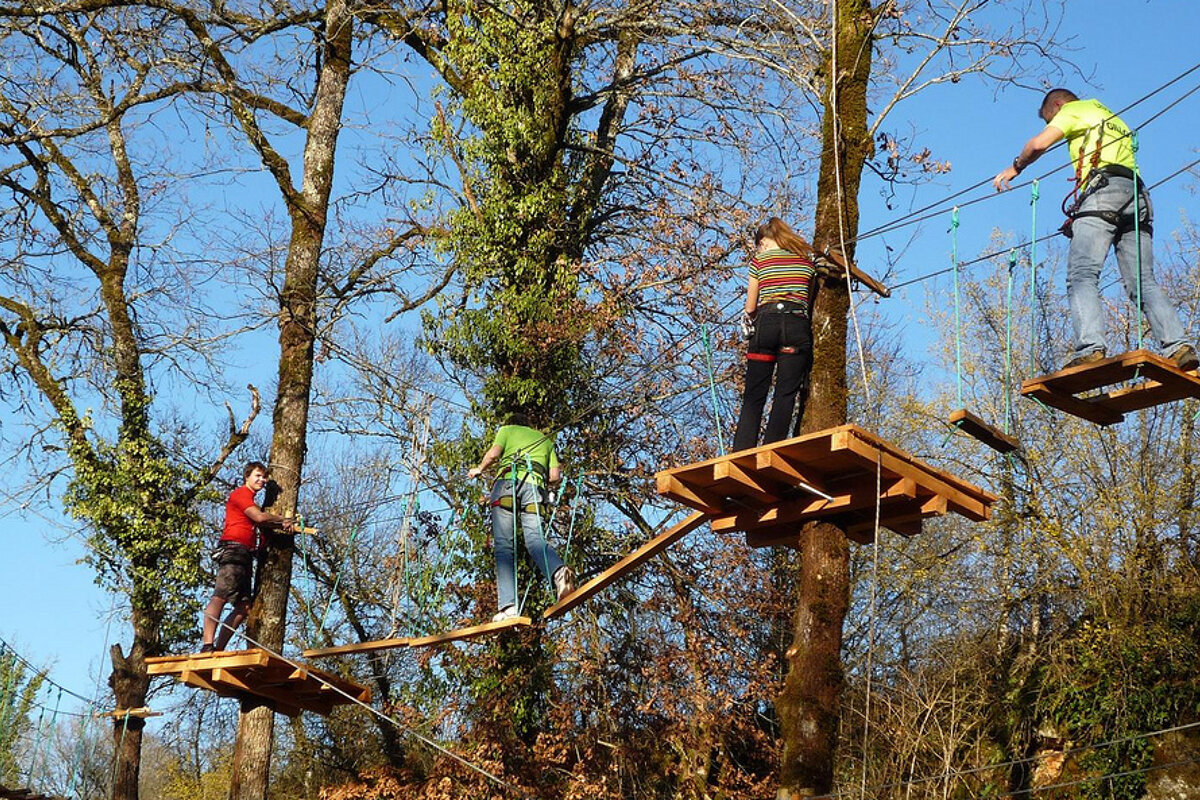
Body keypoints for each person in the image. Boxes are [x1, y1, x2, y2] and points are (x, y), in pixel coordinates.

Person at [993, 88, 1196, 372]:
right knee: (1143, 282)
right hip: (1137, 197)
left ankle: (1090, 348)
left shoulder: (1072, 110)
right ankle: (1179, 346)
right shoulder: (1111, 117)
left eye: (1050, 118)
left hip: (1103, 192)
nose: (1051, 123)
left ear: (1057, 104)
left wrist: (1017, 167)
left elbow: (1038, 144)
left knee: (1081, 275)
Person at [468, 412, 574, 622]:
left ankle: (508, 607)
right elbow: (554, 476)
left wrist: (479, 470)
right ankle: (559, 573)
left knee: (505, 546)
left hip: (506, 486)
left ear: (512, 423)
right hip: (534, 491)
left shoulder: (507, 430)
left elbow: (493, 454)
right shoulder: (546, 440)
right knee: (535, 540)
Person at [732, 217, 818, 452]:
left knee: (755, 394)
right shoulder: (806, 263)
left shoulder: (759, 260)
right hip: (796, 326)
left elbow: (751, 307)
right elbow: (807, 303)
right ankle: (773, 449)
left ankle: (742, 450)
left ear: (763, 242)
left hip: (766, 326)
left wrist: (748, 322)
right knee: (785, 394)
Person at [200, 461, 294, 652]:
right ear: (247, 477)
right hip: (233, 550)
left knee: (244, 607)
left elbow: (262, 523)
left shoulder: (252, 501)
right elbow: (259, 517)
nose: (261, 480)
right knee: (220, 596)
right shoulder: (241, 494)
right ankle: (207, 645)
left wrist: (283, 525)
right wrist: (282, 519)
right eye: (257, 476)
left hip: (245, 555)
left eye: (264, 477)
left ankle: (218, 650)